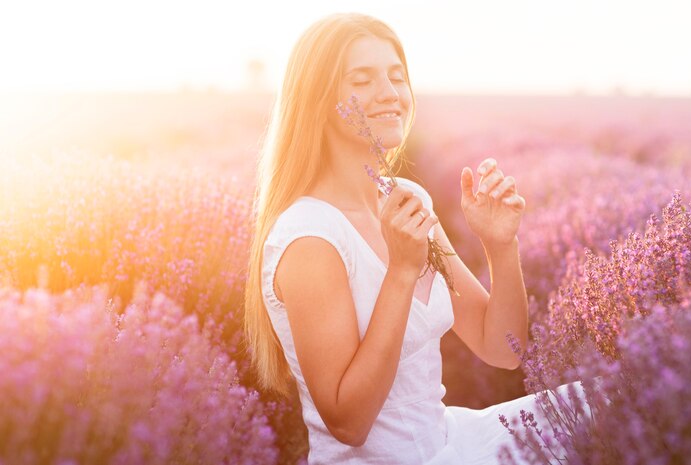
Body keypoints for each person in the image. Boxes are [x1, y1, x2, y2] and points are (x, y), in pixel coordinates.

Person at [244, 12, 591, 464]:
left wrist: (500, 246)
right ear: (318, 102)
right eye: (362, 80)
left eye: (397, 77)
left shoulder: (408, 199)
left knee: (606, 402)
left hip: (446, 442)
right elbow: (348, 423)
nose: (389, 94)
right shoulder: (310, 239)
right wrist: (402, 272)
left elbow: (503, 348)